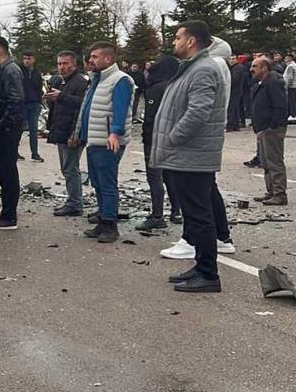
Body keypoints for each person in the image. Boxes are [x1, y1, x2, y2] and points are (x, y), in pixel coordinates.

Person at [152, 21, 230, 293]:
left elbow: (199, 112)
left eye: (177, 37)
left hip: (192, 156)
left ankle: (209, 274)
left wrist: (173, 138)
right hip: (186, 155)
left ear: (191, 41)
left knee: (199, 215)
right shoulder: (193, 67)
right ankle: (200, 266)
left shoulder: (204, 69)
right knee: (195, 214)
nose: (174, 42)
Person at [75, 42, 134, 243]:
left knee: (107, 183)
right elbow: (87, 109)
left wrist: (115, 133)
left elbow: (121, 109)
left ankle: (110, 225)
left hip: (108, 141)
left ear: (107, 59)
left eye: (94, 57)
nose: (90, 60)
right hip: (95, 139)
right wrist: (80, 133)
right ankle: (102, 218)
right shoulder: (98, 79)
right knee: (97, 181)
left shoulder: (120, 80)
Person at [138, 54, 182, 230]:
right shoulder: (176, 86)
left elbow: (150, 117)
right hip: (173, 137)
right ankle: (176, 210)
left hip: (156, 138)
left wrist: (146, 136)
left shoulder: (156, 89)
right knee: (170, 175)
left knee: (154, 176)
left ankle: (157, 215)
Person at [0, 36, 24, 230]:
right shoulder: (2, 70)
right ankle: (6, 212)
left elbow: (15, 101)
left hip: (7, 130)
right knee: (3, 169)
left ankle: (9, 215)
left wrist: (3, 125)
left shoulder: (10, 70)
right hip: (1, 127)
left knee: (7, 170)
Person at [44, 50, 88, 217]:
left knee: (70, 168)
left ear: (74, 65)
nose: (62, 67)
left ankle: (75, 203)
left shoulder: (80, 82)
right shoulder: (58, 80)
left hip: (72, 132)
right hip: (61, 129)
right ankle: (73, 200)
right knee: (66, 167)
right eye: (59, 64)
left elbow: (82, 106)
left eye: (65, 63)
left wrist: (74, 135)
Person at [250, 56, 289, 205]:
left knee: (274, 161)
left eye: (255, 66)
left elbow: (280, 105)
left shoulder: (273, 82)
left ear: (264, 67)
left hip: (271, 129)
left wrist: (273, 125)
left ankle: (280, 194)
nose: (251, 69)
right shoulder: (261, 82)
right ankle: (271, 191)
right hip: (263, 128)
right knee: (265, 162)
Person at [21, 51, 45, 162]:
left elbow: (39, 87)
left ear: (33, 59)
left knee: (34, 130)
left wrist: (40, 102)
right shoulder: (20, 71)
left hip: (34, 104)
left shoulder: (36, 72)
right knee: (19, 129)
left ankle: (34, 153)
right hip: (22, 104)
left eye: (28, 58)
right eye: (25, 58)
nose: (26, 60)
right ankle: (14, 152)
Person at [227, 54, 250, 132]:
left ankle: (230, 125)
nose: (231, 61)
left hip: (235, 91)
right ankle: (236, 125)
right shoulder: (236, 68)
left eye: (233, 59)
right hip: (237, 90)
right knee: (235, 108)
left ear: (237, 59)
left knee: (232, 108)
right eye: (230, 59)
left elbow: (235, 80)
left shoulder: (237, 68)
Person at [282, 52, 296, 121]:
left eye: (286, 58)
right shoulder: (295, 65)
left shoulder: (290, 66)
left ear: (290, 58)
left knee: (292, 101)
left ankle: (293, 114)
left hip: (292, 86)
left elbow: (289, 78)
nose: (285, 59)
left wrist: (286, 86)